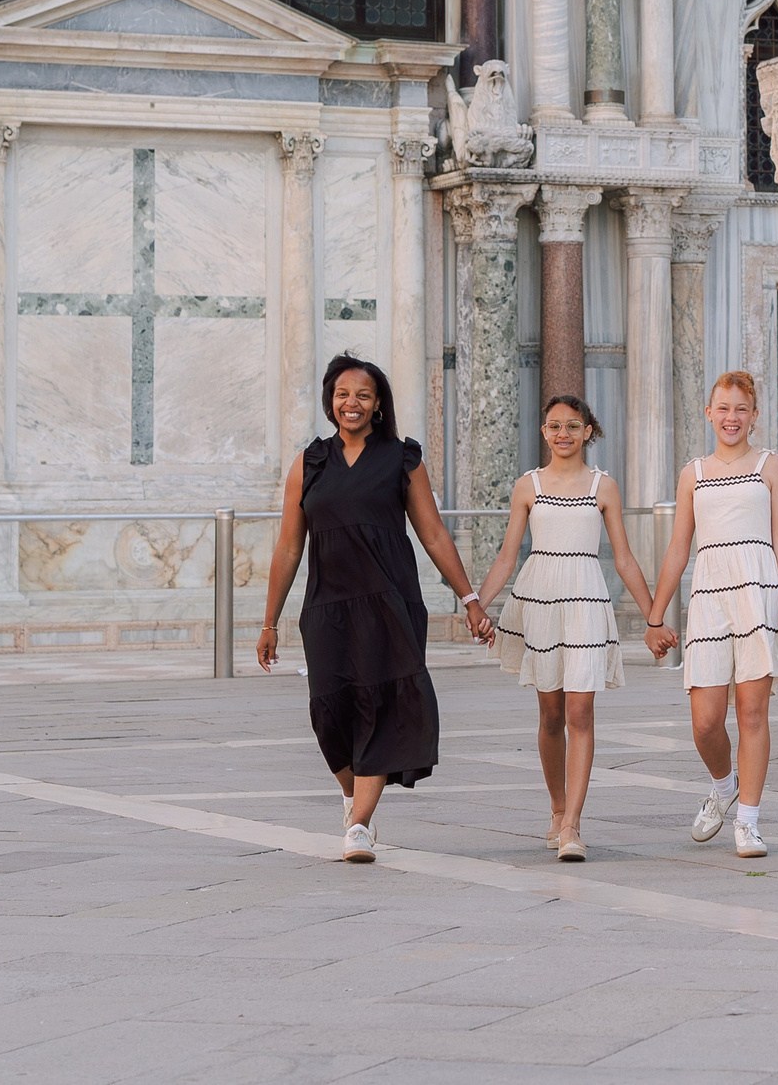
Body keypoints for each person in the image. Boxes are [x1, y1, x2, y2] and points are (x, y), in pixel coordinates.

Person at [258, 355, 480, 865]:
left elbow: (433, 533)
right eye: (342, 394)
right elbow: (289, 547)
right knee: (328, 710)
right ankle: (351, 792)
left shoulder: (401, 458)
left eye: (362, 395)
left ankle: (359, 824)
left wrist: (468, 598)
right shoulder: (309, 462)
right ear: (329, 401)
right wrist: (270, 620)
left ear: (378, 404)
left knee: (379, 707)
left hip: (390, 603)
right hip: (327, 608)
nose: (351, 403)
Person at [466, 395, 673, 863]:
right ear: (544, 432)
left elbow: (623, 558)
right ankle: (557, 809)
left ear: (587, 431)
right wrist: (477, 603)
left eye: (572, 426)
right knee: (551, 715)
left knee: (580, 711)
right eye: (555, 426)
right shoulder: (528, 486)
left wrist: (653, 619)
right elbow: (506, 556)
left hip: (585, 598)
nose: (563, 434)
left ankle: (574, 825)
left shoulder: (604, 486)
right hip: (539, 598)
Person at [647, 371, 778, 859]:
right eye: (723, 407)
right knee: (705, 722)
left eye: (741, 408)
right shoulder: (692, 473)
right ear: (709, 412)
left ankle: (749, 822)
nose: (732, 417)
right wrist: (656, 616)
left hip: (759, 592)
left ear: (754, 415)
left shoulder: (770, 466)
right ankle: (723, 784)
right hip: (710, 594)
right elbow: (678, 547)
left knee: (753, 713)